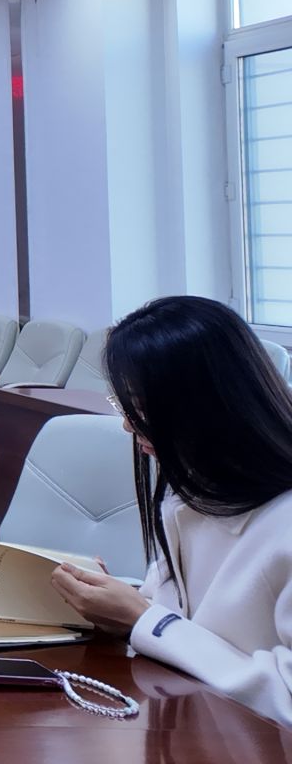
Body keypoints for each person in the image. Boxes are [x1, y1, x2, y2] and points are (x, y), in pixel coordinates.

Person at [49, 296, 292, 726]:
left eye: (141, 408)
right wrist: (117, 606)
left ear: (210, 404)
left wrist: (144, 619)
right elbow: (173, 616)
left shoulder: (281, 520)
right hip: (185, 723)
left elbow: (285, 699)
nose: (128, 424)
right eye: (124, 404)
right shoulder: (194, 493)